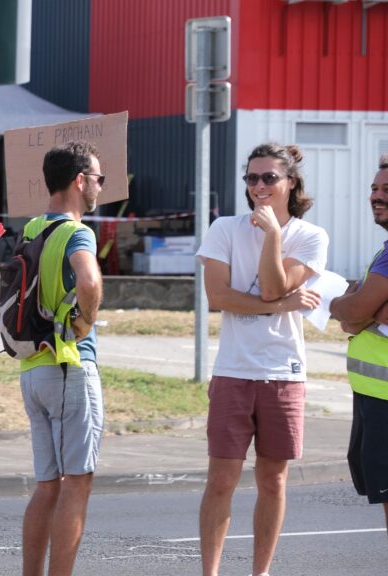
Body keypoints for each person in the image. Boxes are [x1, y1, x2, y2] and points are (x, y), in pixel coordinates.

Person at [196, 142, 328, 576]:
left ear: (291, 183)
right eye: (251, 178)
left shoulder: (310, 236)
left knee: (273, 481)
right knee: (221, 481)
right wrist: (282, 305)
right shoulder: (224, 229)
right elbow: (219, 296)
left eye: (269, 177)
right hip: (233, 371)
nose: (258, 186)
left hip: (283, 374)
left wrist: (273, 233)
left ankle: (261, 572)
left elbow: (271, 286)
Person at [19, 141, 104, 576]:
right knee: (77, 485)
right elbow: (88, 280)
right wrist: (87, 322)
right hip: (70, 364)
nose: (100, 188)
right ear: (79, 181)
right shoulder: (77, 231)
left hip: (32, 367)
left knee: (47, 487)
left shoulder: (31, 227)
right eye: (98, 179)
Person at [329, 156, 388, 539]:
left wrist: (346, 306)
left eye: (386, 191)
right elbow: (358, 314)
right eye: (374, 188)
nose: (376, 196)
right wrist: (357, 310)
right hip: (373, 395)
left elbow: (355, 309)